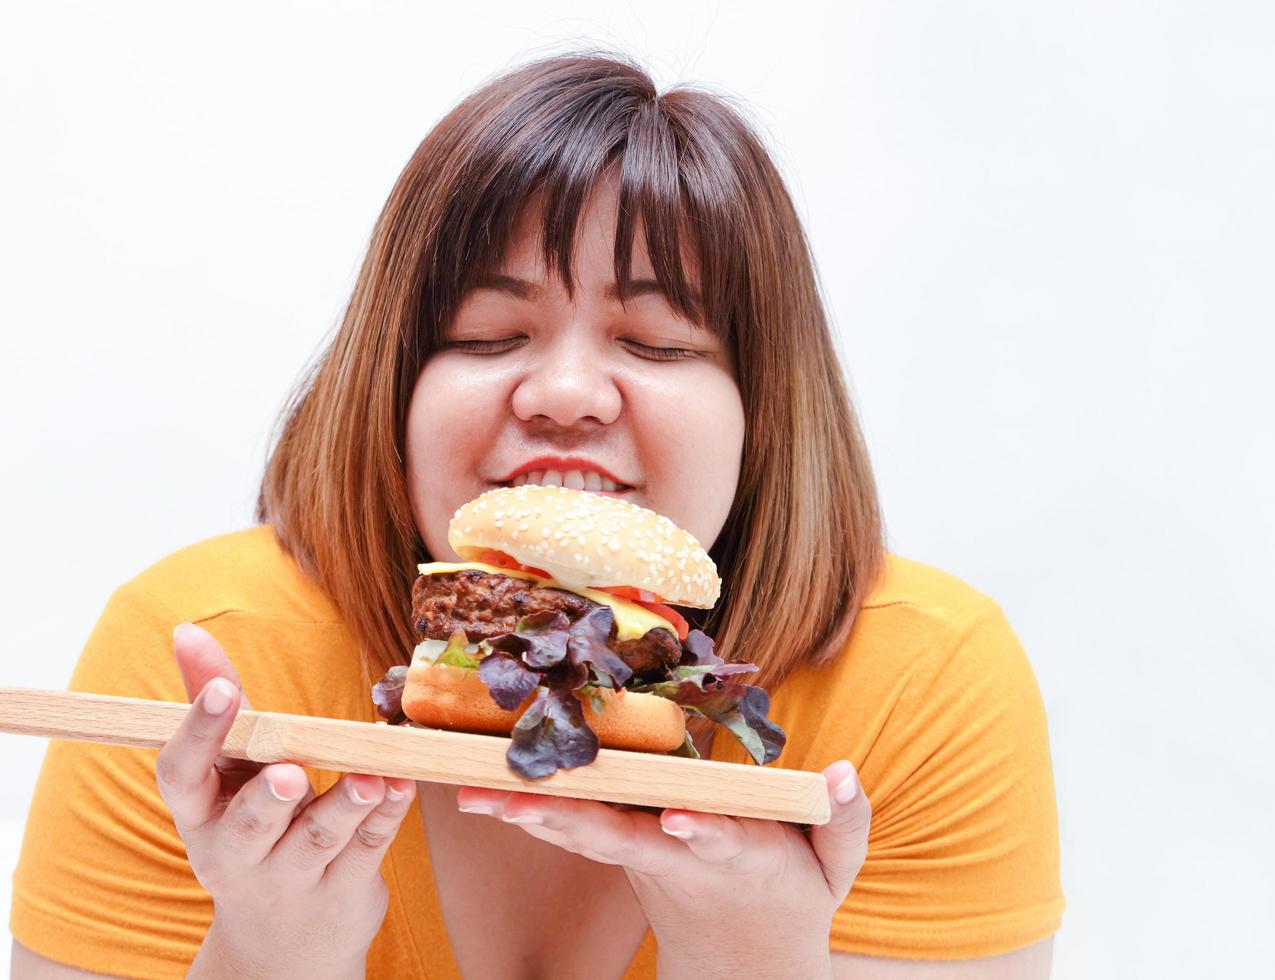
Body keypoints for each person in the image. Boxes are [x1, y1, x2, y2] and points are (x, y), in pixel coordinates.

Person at [9, 52, 1063, 979]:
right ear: (393, 387)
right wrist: (273, 951)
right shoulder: (212, 670)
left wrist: (750, 958)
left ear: (767, 411)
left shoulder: (920, 684)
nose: (566, 392)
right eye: (486, 333)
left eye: (654, 343)